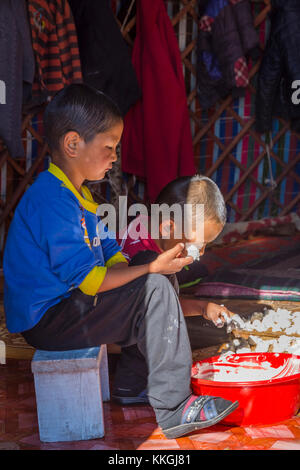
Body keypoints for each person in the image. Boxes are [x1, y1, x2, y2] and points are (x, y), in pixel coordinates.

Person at [3, 83, 238, 439]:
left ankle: (131, 384)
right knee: (153, 280)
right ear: (72, 144)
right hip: (50, 319)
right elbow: (91, 281)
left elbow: (115, 258)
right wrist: (150, 272)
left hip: (71, 308)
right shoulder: (52, 202)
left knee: (148, 264)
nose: (115, 156)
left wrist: (149, 267)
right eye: (109, 147)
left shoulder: (83, 197)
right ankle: (174, 408)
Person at [114, 175, 234, 403]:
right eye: (198, 245)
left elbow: (166, 302)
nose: (202, 251)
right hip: (112, 317)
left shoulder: (151, 231)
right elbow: (157, 308)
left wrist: (203, 307)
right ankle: (133, 383)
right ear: (168, 227)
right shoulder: (142, 255)